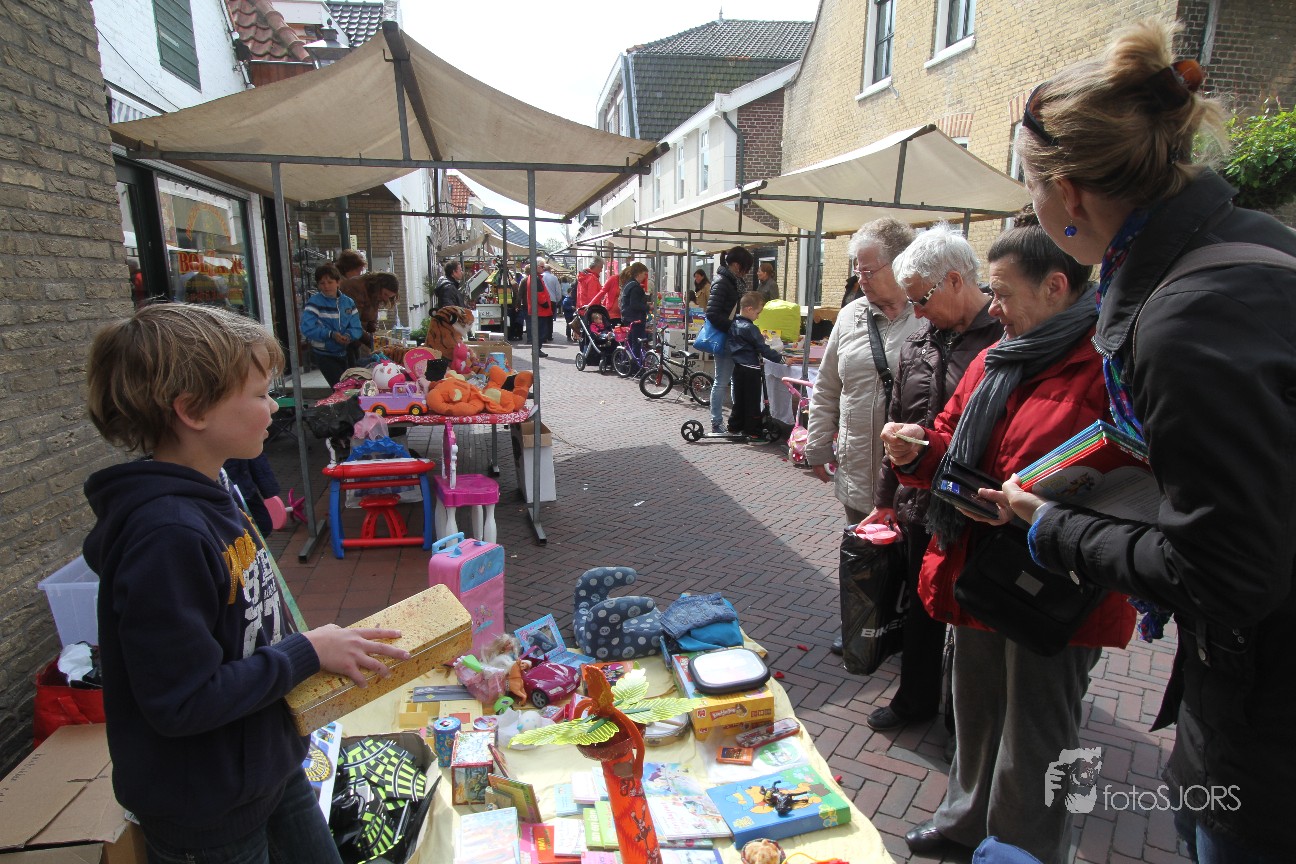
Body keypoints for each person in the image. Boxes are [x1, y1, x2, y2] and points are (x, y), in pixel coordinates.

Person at [988, 20, 1296, 863]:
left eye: (1028, 188)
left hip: (1268, 728)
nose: (1031, 210)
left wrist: (1053, 526)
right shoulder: (1256, 247)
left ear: (1070, 194)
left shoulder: (1186, 316)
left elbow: (1224, 573)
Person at [82, 303, 408, 864]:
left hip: (265, 766)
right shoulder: (167, 535)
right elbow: (183, 701)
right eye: (260, 394)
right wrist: (307, 653)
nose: (273, 407)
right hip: (210, 809)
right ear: (192, 410)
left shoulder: (215, 490)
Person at [880, 220, 1135, 863]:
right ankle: (965, 822)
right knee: (976, 705)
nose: (992, 308)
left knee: (1037, 731)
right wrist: (917, 449)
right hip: (979, 565)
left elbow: (1139, 484)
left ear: (1056, 286)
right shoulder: (998, 358)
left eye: (1002, 293)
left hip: (1059, 582)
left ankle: (1022, 849)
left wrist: (1038, 512)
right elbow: (949, 433)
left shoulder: (1112, 365)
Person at [860, 223, 1003, 733]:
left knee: (973, 618)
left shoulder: (1005, 338)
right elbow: (896, 420)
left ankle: (963, 724)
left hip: (977, 508)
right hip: (920, 501)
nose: (916, 312)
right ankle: (915, 700)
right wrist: (886, 498)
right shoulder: (919, 340)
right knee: (922, 606)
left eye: (921, 299)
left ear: (955, 281)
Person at [804, 218, 921, 654]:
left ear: (901, 265)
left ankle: (907, 634)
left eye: (868, 270)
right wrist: (817, 443)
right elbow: (827, 385)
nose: (860, 279)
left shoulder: (927, 315)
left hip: (911, 476)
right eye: (857, 269)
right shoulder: (851, 315)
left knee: (912, 556)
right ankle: (863, 627)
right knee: (864, 556)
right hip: (857, 466)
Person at [704, 246, 754, 433]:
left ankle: (736, 420)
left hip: (735, 338)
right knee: (722, 381)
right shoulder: (723, 282)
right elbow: (712, 314)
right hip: (726, 338)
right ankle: (717, 422)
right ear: (736, 265)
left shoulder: (733, 282)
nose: (746, 273)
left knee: (734, 381)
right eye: (745, 268)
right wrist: (734, 328)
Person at [728, 291, 784, 439]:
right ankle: (753, 431)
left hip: (738, 366)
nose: (758, 316)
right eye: (758, 313)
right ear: (749, 309)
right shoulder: (750, 328)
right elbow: (763, 348)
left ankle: (734, 425)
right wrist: (781, 359)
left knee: (740, 399)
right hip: (751, 369)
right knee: (752, 401)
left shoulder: (734, 324)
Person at [300, 263, 362, 388]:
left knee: (352, 387)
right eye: (322, 283)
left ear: (338, 282)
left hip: (346, 352)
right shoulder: (314, 303)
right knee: (340, 387)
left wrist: (348, 336)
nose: (326, 286)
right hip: (324, 353)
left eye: (330, 282)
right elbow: (307, 328)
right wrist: (331, 334)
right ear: (318, 285)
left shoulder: (348, 302)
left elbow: (356, 327)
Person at [341, 271, 399, 365]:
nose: (385, 299)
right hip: (343, 340)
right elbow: (352, 322)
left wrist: (373, 328)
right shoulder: (356, 288)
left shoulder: (374, 293)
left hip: (355, 339)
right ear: (379, 286)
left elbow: (372, 316)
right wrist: (371, 341)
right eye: (385, 294)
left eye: (389, 297)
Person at [619, 261, 651, 357]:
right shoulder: (635, 287)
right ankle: (635, 364)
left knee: (630, 343)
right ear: (639, 273)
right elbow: (634, 305)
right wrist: (648, 307)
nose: (645, 277)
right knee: (636, 344)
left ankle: (628, 362)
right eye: (644, 274)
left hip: (628, 318)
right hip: (636, 319)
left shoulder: (628, 284)